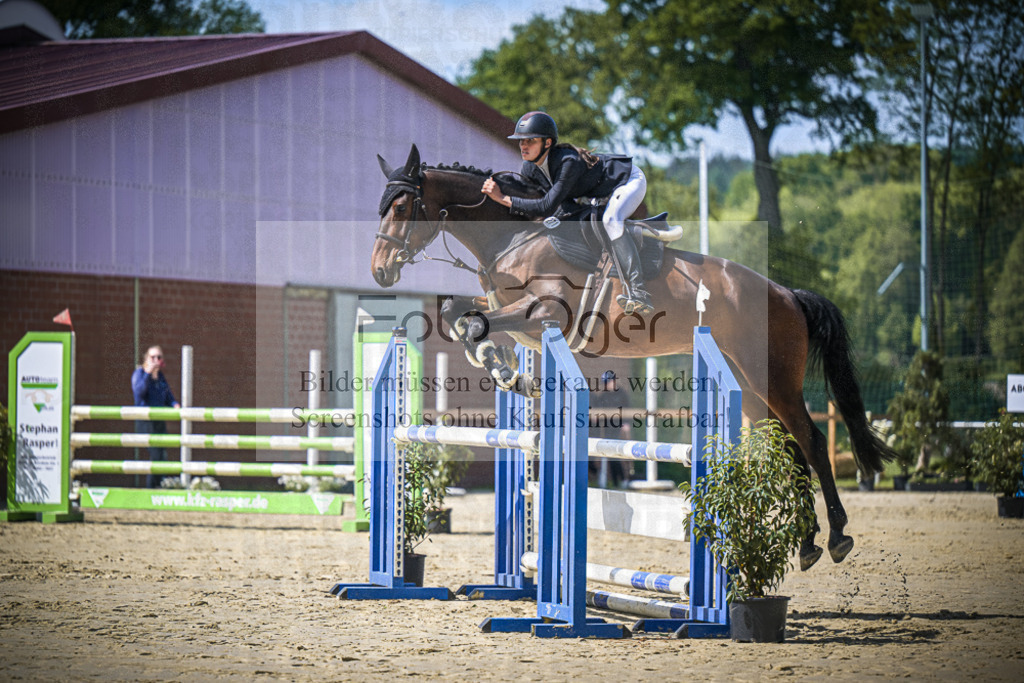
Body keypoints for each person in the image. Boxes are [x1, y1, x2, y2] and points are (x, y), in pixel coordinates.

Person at [481, 111, 653, 314]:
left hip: (627, 180)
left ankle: (639, 291)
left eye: (530, 141)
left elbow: (546, 205)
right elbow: (545, 205)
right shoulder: (530, 169)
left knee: (611, 220)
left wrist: (502, 199)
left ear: (547, 143)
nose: (523, 146)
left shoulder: (567, 161)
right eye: (521, 141)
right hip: (597, 193)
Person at [131, 345, 180, 488]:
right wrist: (147, 374)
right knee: (156, 455)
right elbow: (138, 393)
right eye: (153, 357)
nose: (156, 360)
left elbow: (168, 397)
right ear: (146, 358)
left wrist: (175, 405)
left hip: (159, 420)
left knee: (162, 456)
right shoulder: (139, 374)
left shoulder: (161, 377)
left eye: (159, 357)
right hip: (146, 422)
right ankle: (151, 489)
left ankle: (159, 486)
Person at [589, 370, 630, 488]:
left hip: (619, 428)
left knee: (616, 454)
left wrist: (626, 424)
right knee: (610, 453)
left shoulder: (622, 394)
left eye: (608, 382)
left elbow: (627, 409)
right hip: (608, 428)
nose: (607, 385)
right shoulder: (603, 396)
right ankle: (617, 482)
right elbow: (598, 409)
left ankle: (622, 480)